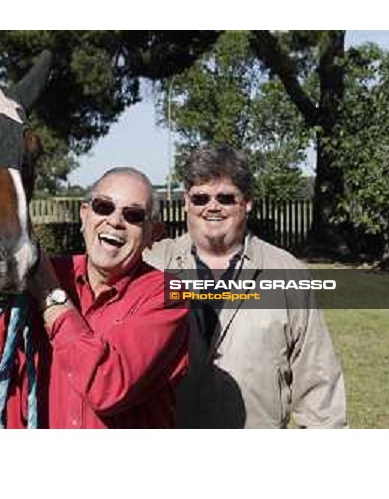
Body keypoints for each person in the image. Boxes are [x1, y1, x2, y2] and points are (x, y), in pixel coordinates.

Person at [0, 167, 188, 428]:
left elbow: (107, 387)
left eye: (133, 215)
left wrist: (50, 296)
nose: (115, 221)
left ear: (154, 232)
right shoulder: (48, 272)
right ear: (84, 215)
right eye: (103, 206)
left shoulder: (170, 293)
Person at [143, 145, 347, 428]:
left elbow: (318, 385)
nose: (212, 207)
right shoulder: (150, 264)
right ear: (185, 202)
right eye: (200, 197)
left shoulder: (289, 273)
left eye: (225, 198)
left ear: (247, 201)